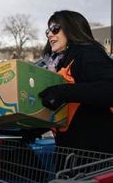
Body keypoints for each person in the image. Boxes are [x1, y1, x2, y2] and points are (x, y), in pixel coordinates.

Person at [38, 10, 113, 153]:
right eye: (48, 31)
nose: (49, 34)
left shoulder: (88, 52)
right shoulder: (61, 61)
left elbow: (109, 88)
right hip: (69, 153)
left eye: (55, 28)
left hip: (94, 155)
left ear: (71, 28)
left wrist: (62, 92)